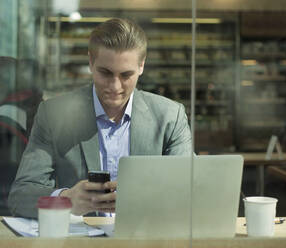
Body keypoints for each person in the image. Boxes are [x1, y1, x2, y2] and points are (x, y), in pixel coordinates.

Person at [8, 18, 192, 218]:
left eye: (125, 75)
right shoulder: (53, 115)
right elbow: (21, 196)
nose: (115, 86)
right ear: (90, 62)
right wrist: (66, 200)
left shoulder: (169, 117)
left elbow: (190, 191)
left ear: (141, 66)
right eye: (105, 73)